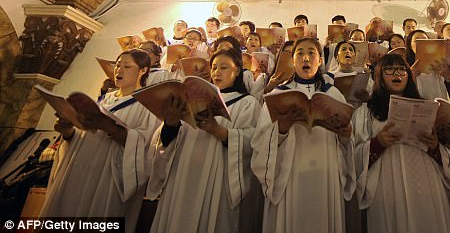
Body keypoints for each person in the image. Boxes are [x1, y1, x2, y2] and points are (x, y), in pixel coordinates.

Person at [40, 49, 160, 233]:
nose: (119, 70)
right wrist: (68, 131)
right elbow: (80, 136)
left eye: (127, 66)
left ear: (143, 71)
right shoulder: (103, 100)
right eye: (118, 65)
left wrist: (110, 128)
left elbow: (147, 147)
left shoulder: (147, 105)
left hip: (107, 177)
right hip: (77, 171)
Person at [147, 49, 261, 233]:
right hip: (182, 175)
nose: (217, 72)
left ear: (238, 71)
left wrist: (218, 131)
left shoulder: (247, 103)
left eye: (224, 67)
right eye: (214, 67)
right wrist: (170, 123)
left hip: (218, 181)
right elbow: (166, 143)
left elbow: (253, 144)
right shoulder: (189, 100)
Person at [251, 37, 355, 233]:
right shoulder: (277, 95)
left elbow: (347, 138)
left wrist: (345, 134)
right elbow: (260, 141)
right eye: (300, 53)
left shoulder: (334, 94)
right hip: (290, 172)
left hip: (326, 171)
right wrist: (281, 130)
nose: (306, 58)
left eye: (311, 53)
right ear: (292, 60)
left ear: (320, 60)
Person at [352, 54, 450, 233]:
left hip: (426, 179)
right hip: (387, 182)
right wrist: (377, 143)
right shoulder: (367, 112)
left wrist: (435, 145)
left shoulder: (428, 107)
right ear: (379, 76)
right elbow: (353, 153)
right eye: (389, 70)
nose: (397, 74)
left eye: (402, 69)